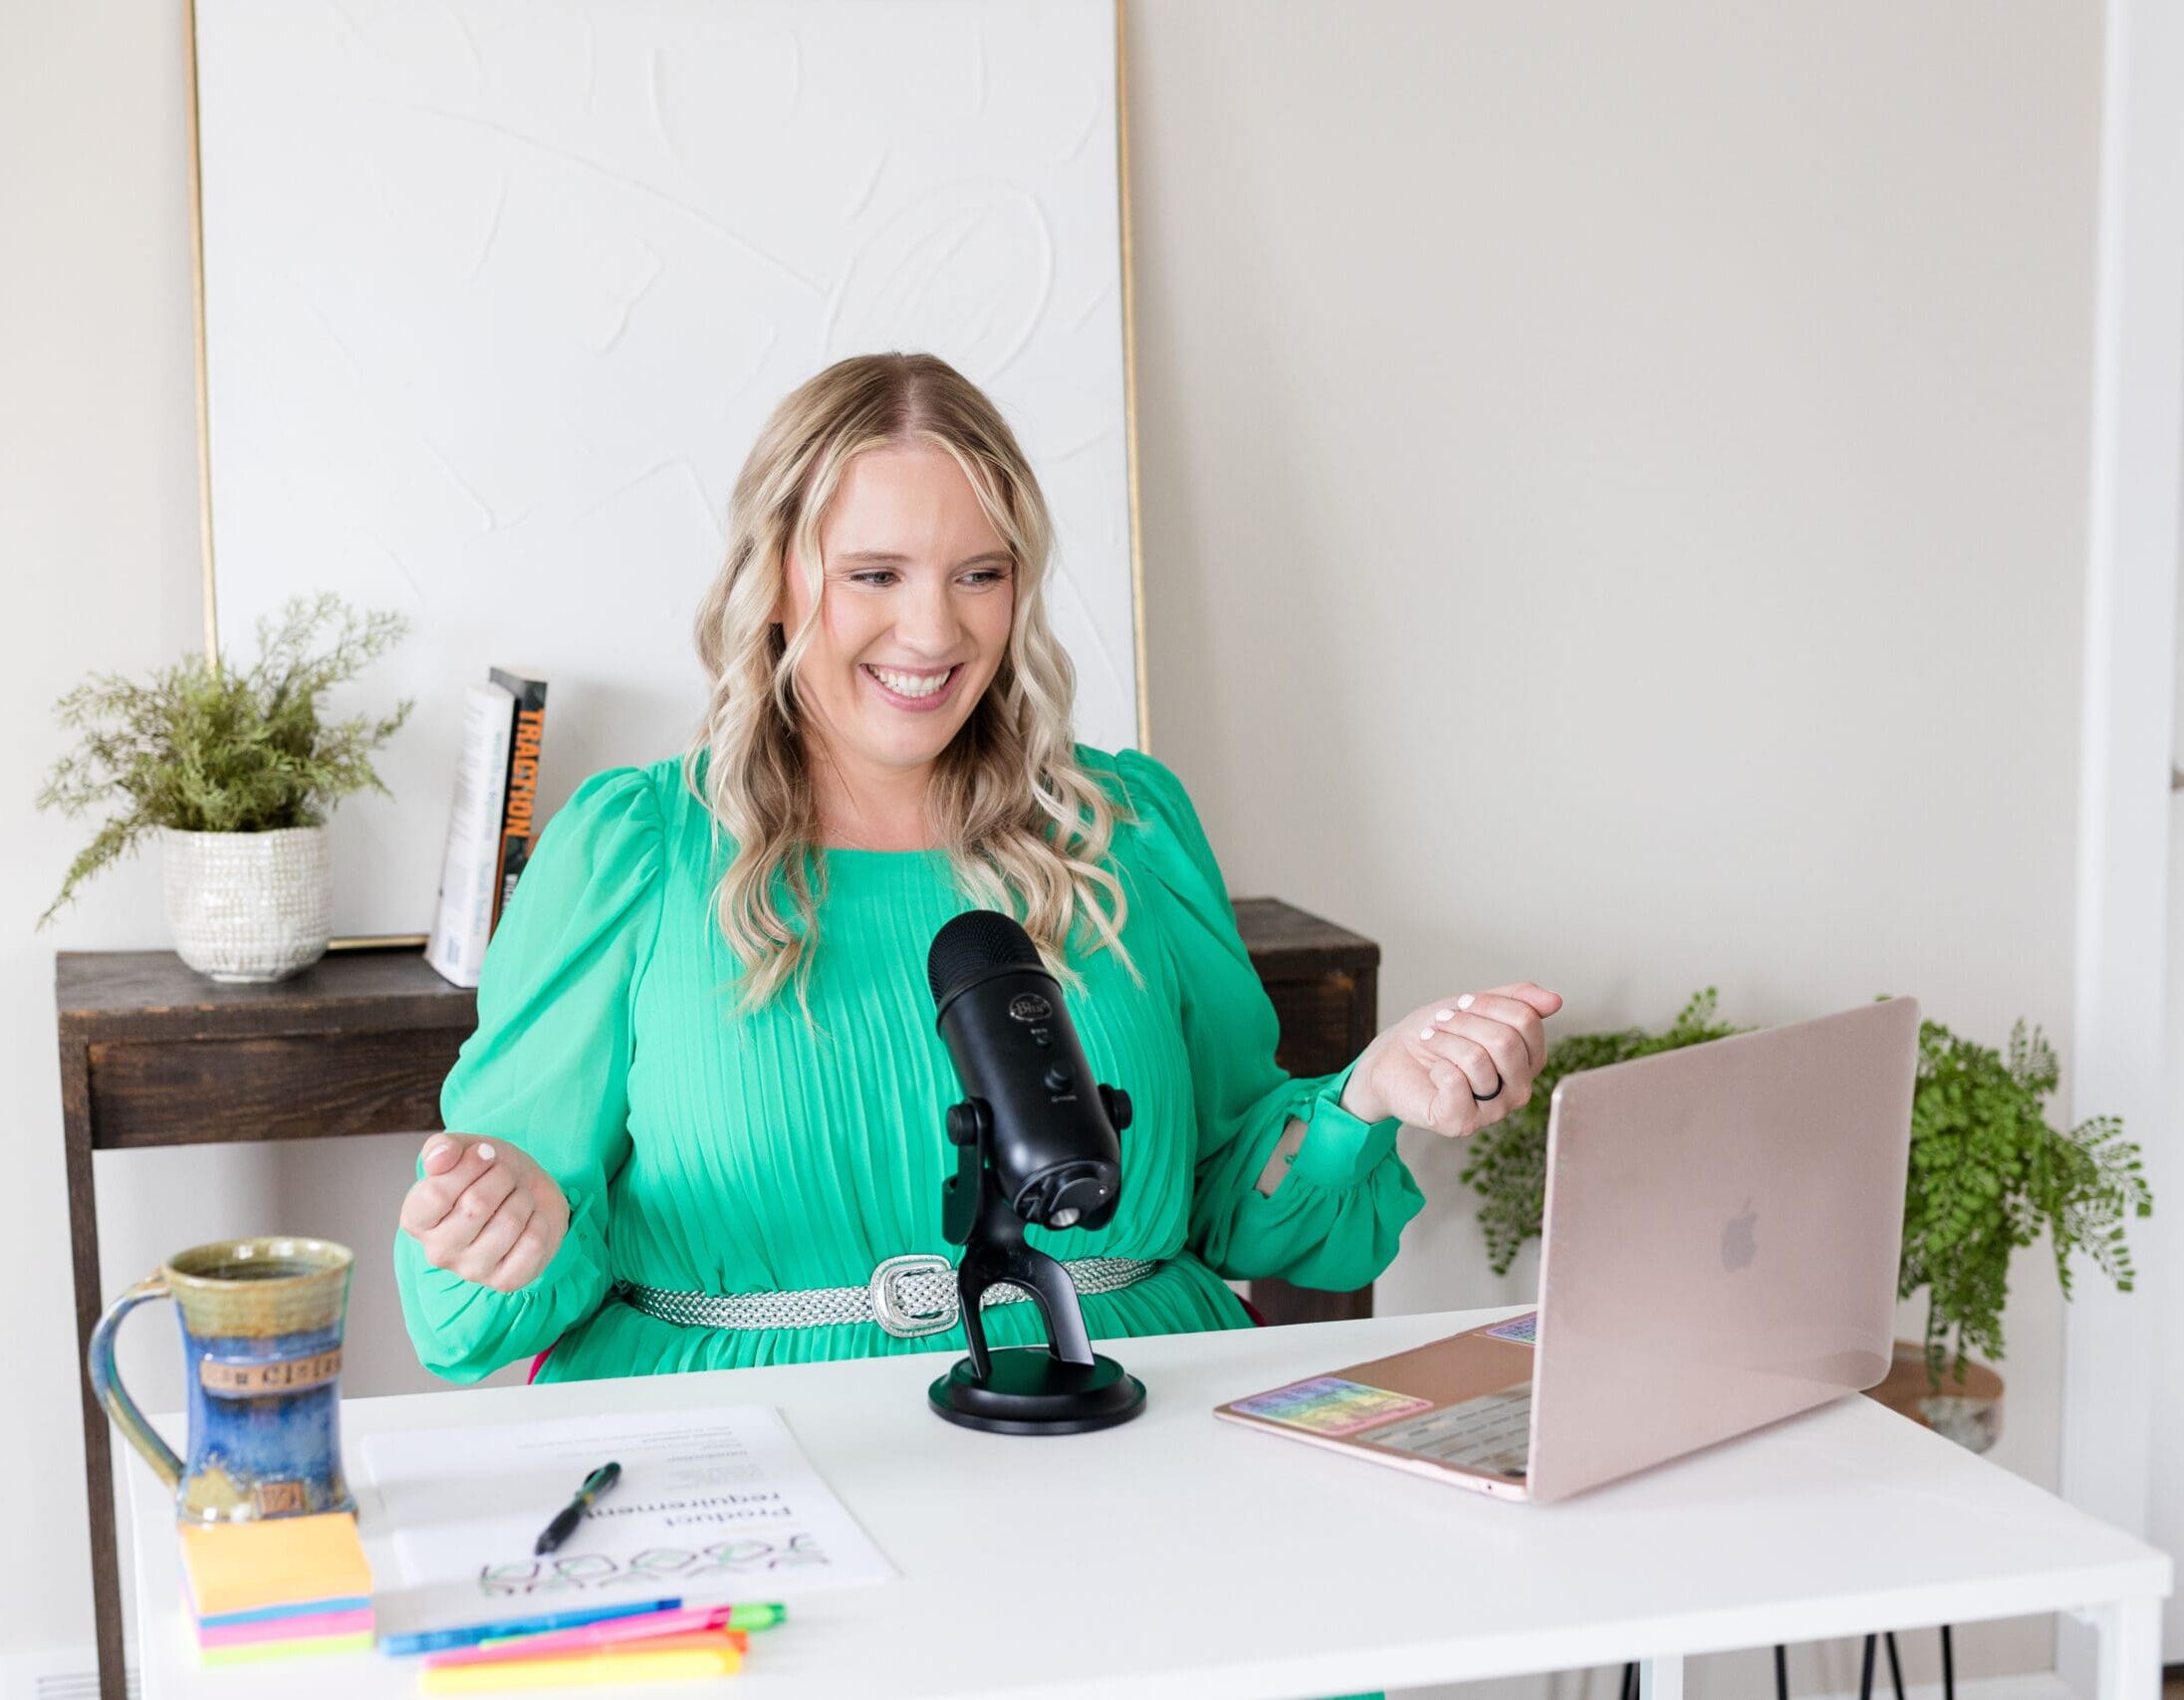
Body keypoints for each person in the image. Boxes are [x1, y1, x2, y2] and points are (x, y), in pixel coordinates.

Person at [394, 352, 1563, 1384]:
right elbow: (465, 1312)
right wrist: (516, 1224)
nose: (934, 632)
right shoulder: (634, 852)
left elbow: (1232, 1200)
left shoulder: (1125, 830)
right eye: (875, 574)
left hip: (1124, 1429)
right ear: (778, 581)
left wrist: (1368, 1097)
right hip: (756, 1446)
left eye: (979, 574)